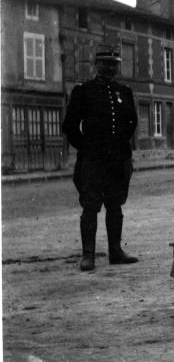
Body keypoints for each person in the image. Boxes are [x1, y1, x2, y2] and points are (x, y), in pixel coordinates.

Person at [63, 46, 139, 271]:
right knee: (90, 206)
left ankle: (116, 252)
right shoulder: (83, 91)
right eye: (106, 63)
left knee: (115, 205)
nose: (110, 68)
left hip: (117, 160)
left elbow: (132, 122)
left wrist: (121, 146)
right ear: (96, 65)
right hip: (93, 160)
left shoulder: (124, 91)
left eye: (114, 64)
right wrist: (86, 147)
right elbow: (70, 125)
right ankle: (88, 255)